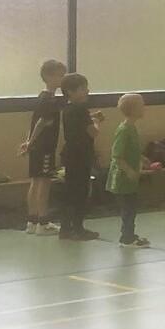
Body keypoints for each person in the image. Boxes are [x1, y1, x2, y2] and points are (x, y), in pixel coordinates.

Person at [20, 57, 65, 236]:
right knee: (44, 183)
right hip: (44, 146)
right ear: (48, 76)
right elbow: (41, 122)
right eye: (59, 76)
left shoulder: (43, 97)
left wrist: (29, 141)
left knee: (36, 180)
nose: (62, 79)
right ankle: (43, 222)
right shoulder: (49, 100)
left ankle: (32, 221)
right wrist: (30, 142)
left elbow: (33, 121)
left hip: (38, 145)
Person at [57, 72, 102, 241]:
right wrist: (97, 121)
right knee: (80, 192)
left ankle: (66, 228)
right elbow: (93, 133)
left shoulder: (68, 109)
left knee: (70, 192)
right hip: (80, 155)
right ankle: (78, 228)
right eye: (82, 89)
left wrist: (91, 118)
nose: (87, 91)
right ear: (70, 91)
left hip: (70, 154)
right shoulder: (81, 109)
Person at [106, 93, 151, 248]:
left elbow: (131, 150)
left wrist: (142, 158)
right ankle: (127, 238)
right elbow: (117, 155)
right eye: (141, 106)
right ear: (132, 109)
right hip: (122, 177)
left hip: (130, 178)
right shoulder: (124, 129)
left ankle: (130, 234)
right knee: (128, 209)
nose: (144, 108)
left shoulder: (132, 128)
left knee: (131, 207)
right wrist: (129, 171)